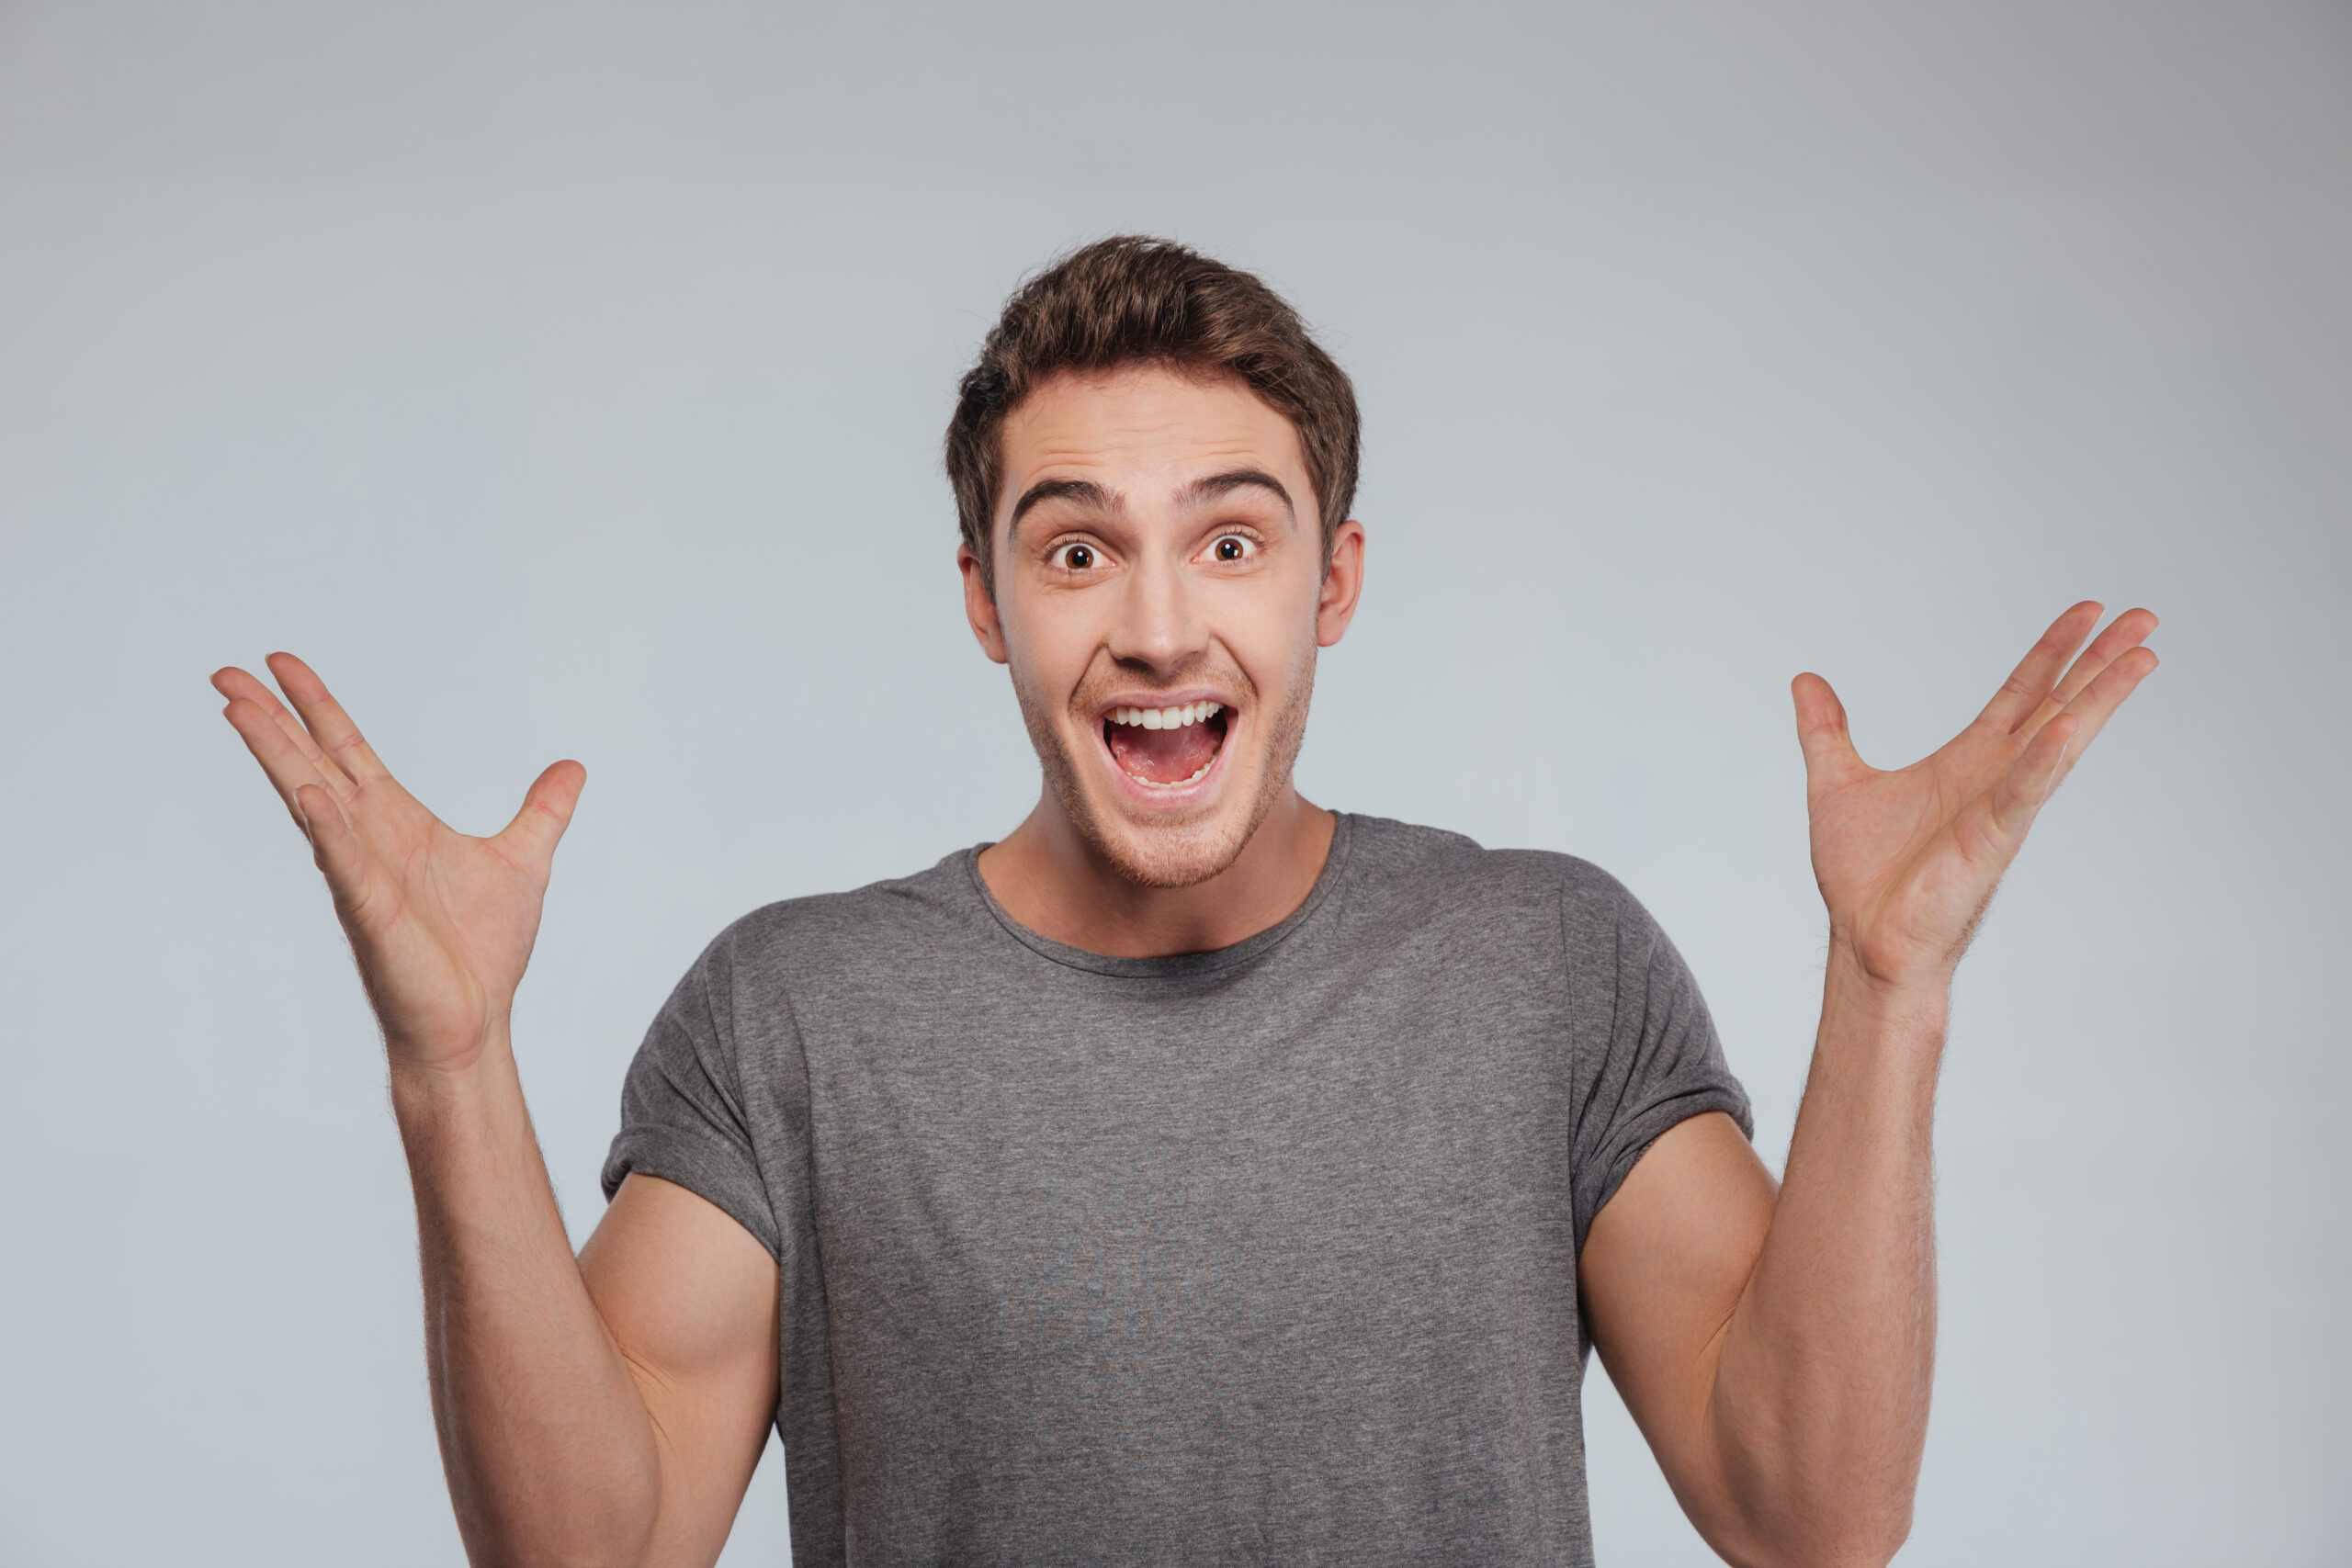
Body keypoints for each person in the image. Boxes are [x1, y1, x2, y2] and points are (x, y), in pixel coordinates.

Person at [213, 236, 2158, 1568]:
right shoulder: (792, 1013)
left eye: (1230, 536)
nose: (1156, 625)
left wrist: (1887, 983)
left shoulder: (1544, 963)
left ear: (1331, 580)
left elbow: (1805, 1505)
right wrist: (449, 1064)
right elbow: (594, 1546)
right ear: (983, 595)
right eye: (1075, 548)